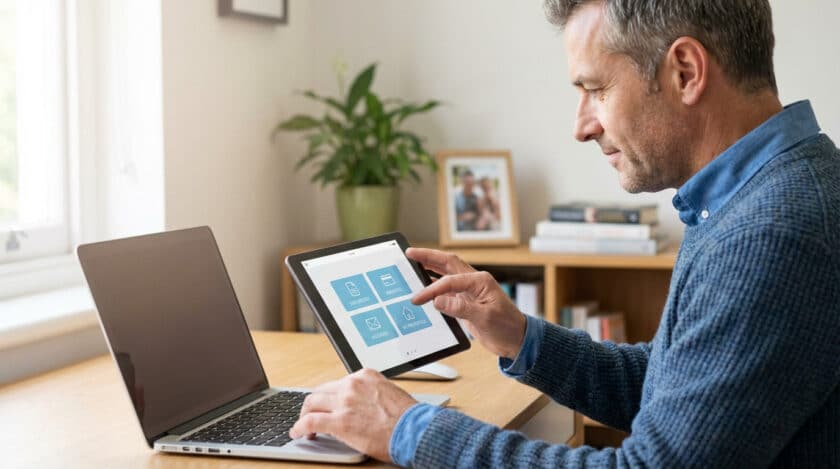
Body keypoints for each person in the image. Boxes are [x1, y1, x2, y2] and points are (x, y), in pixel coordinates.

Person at [290, 0, 840, 467]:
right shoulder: (767, 188)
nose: (581, 125)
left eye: (596, 89)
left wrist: (409, 428)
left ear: (686, 73)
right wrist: (520, 336)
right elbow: (676, 388)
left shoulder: (771, 234)